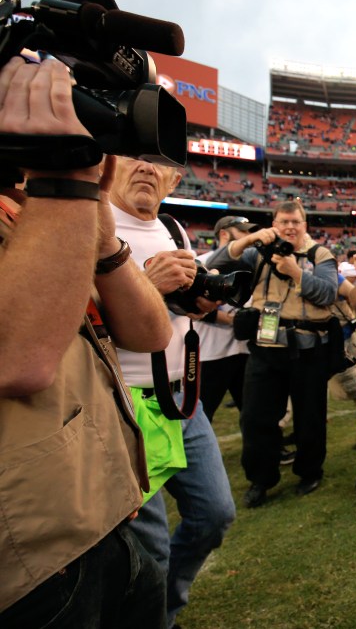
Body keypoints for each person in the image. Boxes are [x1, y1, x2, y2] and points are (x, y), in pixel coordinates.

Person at [0, 57, 170, 627]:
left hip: (101, 516)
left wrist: (96, 223)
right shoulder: (47, 199)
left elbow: (150, 332)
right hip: (25, 564)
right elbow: (18, 360)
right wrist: (64, 178)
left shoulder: (43, 207)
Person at [111, 155, 237, 629]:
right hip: (119, 408)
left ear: (174, 179)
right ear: (107, 162)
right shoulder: (93, 221)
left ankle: (161, 610)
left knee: (214, 515)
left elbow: (179, 310)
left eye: (156, 161)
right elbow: (70, 317)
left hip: (181, 402)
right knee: (151, 544)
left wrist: (198, 301)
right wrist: (144, 284)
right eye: (133, 155)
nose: (145, 167)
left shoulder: (174, 228)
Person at [226, 200, 339, 507]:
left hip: (308, 347)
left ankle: (309, 470)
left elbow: (329, 294)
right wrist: (249, 239)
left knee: (310, 416)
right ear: (274, 224)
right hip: (265, 345)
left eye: (296, 222)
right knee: (256, 417)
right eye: (284, 221)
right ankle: (260, 479)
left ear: (305, 226)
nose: (290, 227)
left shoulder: (320, 255)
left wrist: (296, 273)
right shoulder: (258, 253)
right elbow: (222, 259)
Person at [195, 215, 258, 422]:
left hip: (243, 350)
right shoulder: (203, 262)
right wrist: (235, 321)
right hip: (212, 352)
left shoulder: (249, 264)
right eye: (243, 231)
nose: (248, 236)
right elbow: (196, 308)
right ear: (224, 233)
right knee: (203, 414)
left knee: (252, 412)